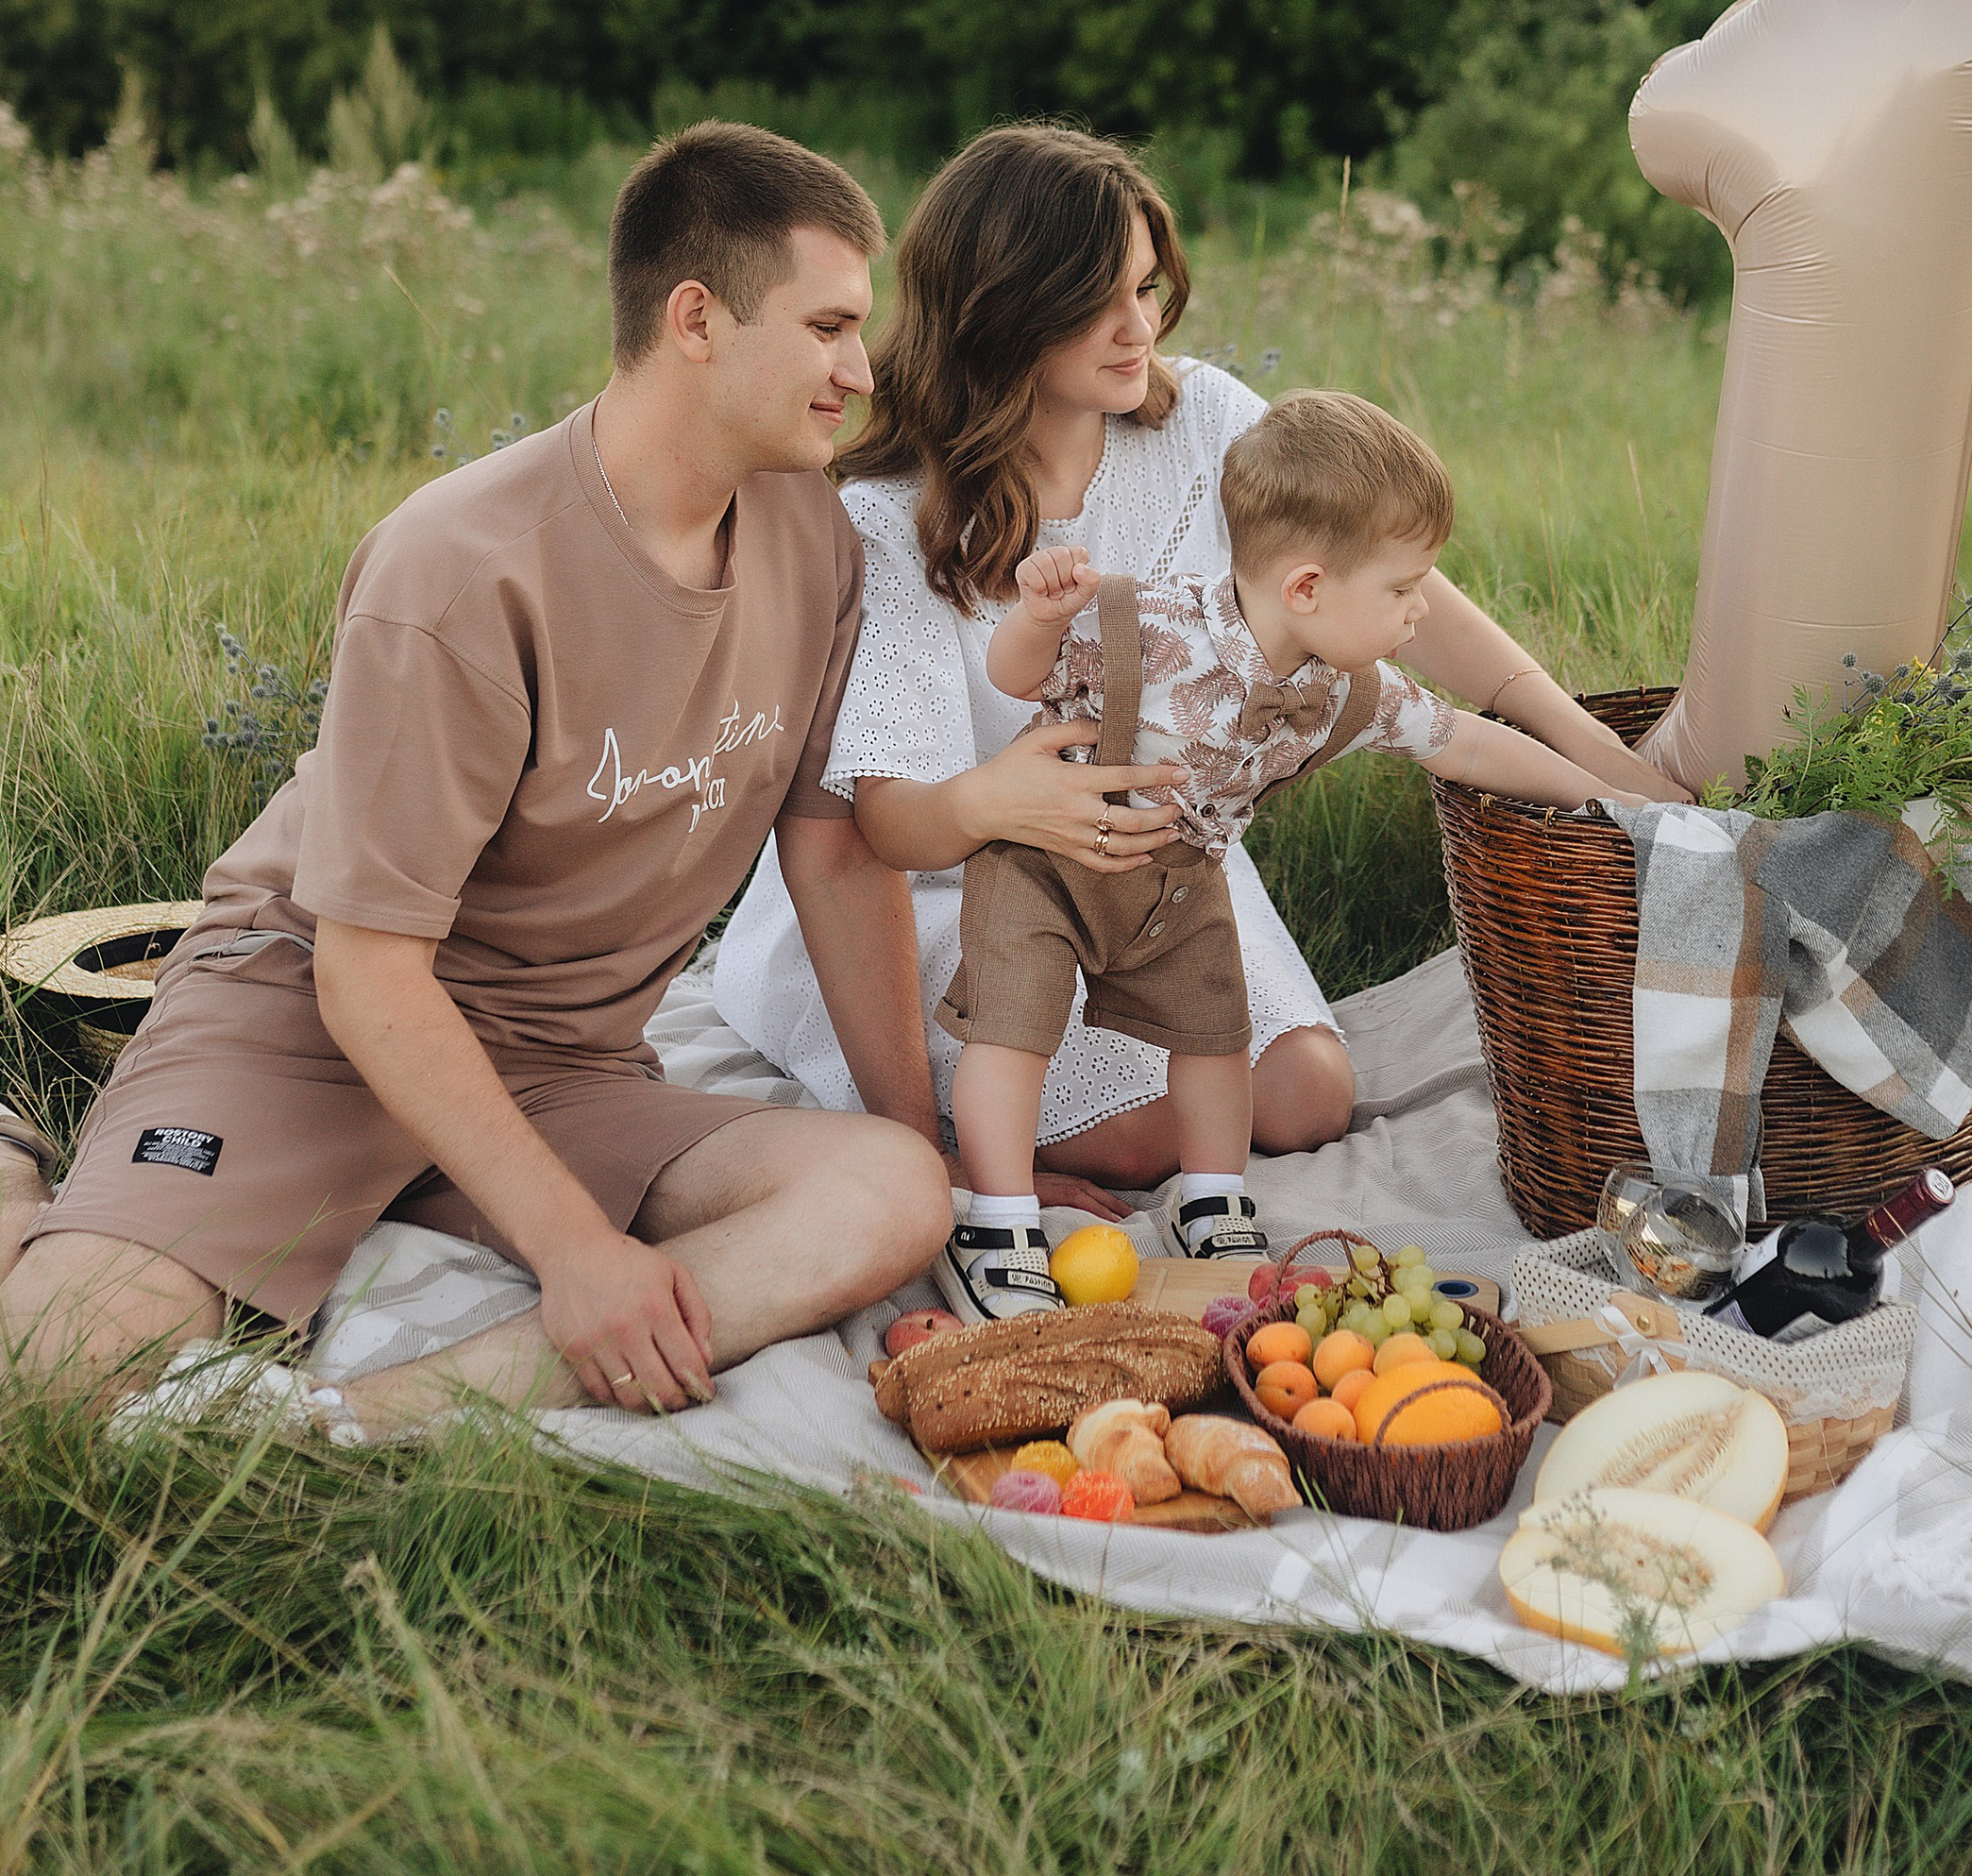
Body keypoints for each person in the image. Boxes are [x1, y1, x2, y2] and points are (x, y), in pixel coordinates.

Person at [0, 124, 952, 1432]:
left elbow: (835, 857)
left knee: (887, 1193)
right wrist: (575, 1249)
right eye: (828, 327)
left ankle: (330, 1428)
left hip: (562, 1067)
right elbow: (367, 970)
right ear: (697, 319)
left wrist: (943, 1159)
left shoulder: (814, 539)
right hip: (313, 1029)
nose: (860, 370)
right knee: (28, 1392)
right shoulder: (462, 565)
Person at [703, 122, 1686, 1200]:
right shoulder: (890, 518)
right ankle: (987, 1144)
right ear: (1004, 312)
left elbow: (1393, 585)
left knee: (1306, 1098)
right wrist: (928, 1154)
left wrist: (1599, 755)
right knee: (1141, 1135)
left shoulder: (1204, 419)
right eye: (1098, 302)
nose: (1141, 328)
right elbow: (883, 826)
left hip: (1157, 868)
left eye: (1147, 287)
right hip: (960, 884)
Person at [935, 393, 1653, 1315]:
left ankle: (1211, 1195)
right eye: (1403, 589)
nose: (1419, 611)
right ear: (1306, 588)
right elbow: (1015, 676)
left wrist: (1607, 797)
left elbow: (1466, 744)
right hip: (1046, 864)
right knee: (1013, 1028)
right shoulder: (1143, 622)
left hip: (1177, 882)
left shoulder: (1347, 690)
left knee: (1215, 1033)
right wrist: (1038, 618)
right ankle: (999, 1217)